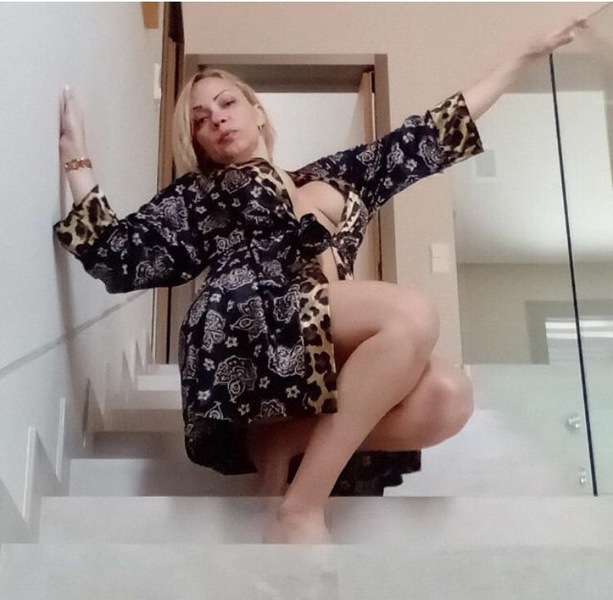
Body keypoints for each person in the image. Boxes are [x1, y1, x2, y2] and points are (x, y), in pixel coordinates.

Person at [54, 17, 587, 543]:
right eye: (199, 119)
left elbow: (429, 137)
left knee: (449, 397)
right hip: (249, 328)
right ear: (197, 142)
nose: (216, 118)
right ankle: (302, 508)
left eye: (226, 102)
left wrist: (521, 57)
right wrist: (76, 158)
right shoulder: (203, 193)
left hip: (319, 336)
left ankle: (287, 440)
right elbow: (118, 253)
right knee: (412, 313)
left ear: (257, 110)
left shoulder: (335, 176)